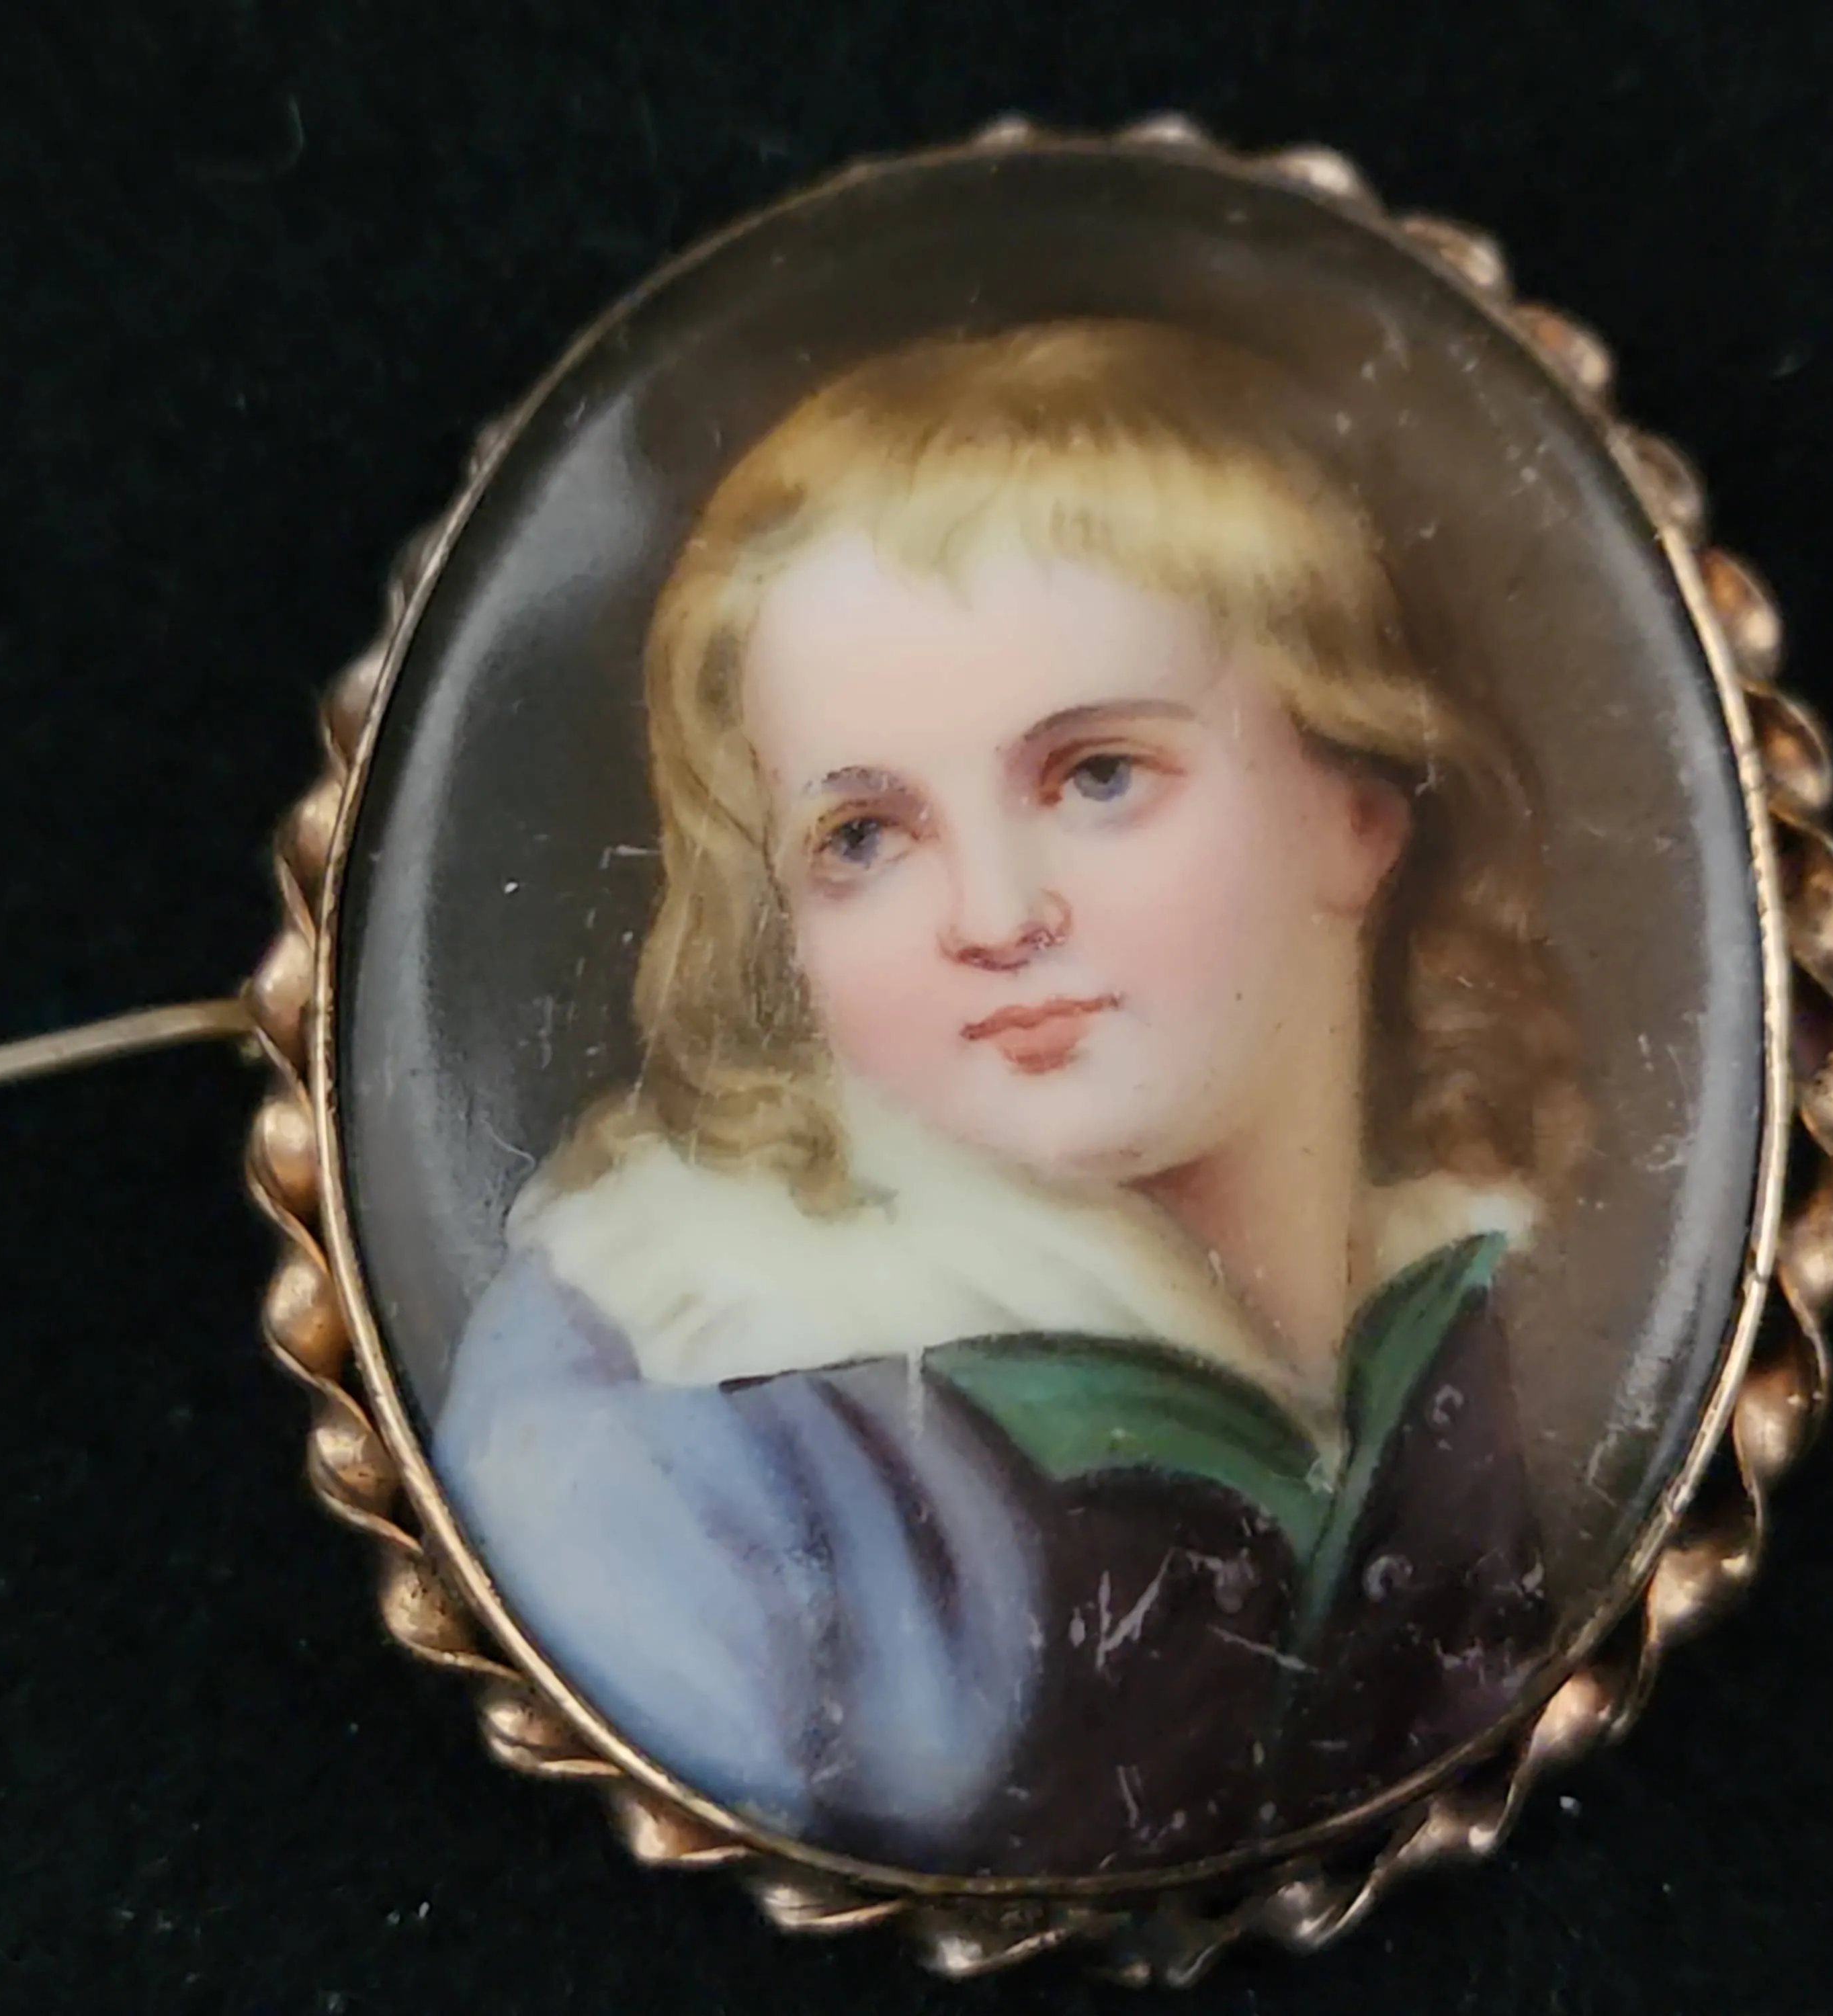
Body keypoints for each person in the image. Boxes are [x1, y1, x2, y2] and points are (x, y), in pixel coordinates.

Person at [433, 321, 1588, 1877]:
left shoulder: (1454, 1303)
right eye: (863, 837)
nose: (993, 916)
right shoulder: (676, 1420)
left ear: (1360, 810)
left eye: (1097, 775)